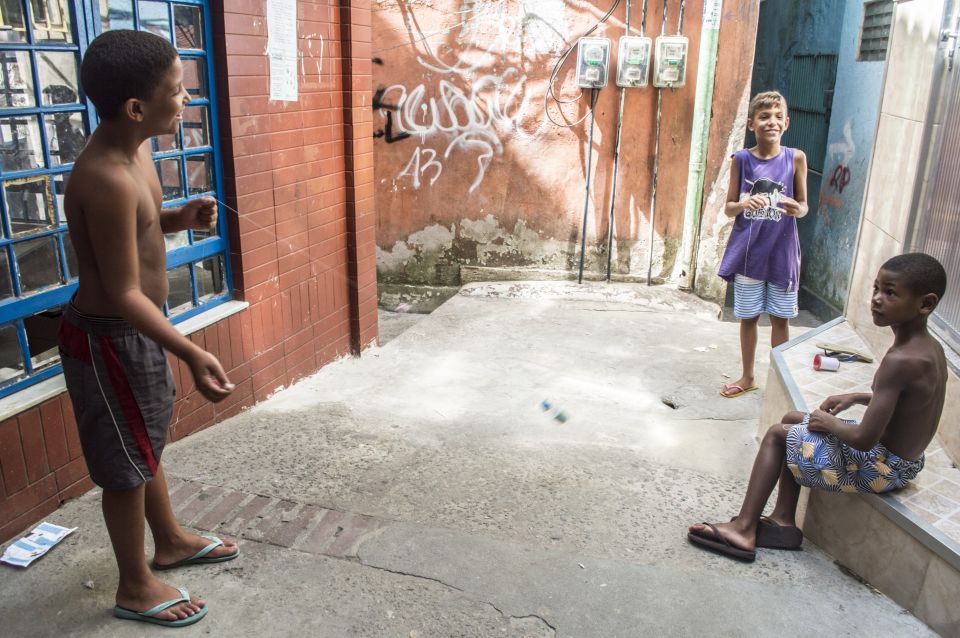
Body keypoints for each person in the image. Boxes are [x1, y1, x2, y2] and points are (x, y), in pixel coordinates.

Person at [58, 30, 238, 628]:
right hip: (110, 336)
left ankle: (171, 542)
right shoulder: (103, 175)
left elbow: (137, 226)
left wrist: (176, 217)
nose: (186, 100)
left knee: (143, 442)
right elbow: (120, 290)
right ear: (137, 108)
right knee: (123, 465)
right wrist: (189, 351)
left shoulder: (136, 151)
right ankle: (135, 583)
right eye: (177, 92)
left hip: (136, 332)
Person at [688, 253, 948, 561]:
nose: (877, 299)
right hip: (906, 461)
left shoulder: (900, 359)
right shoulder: (928, 348)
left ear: (925, 304)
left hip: (882, 467)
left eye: (890, 293)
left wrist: (831, 424)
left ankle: (743, 529)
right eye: (876, 288)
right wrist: (858, 397)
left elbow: (864, 439)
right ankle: (783, 519)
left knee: (777, 434)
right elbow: (910, 402)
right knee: (793, 419)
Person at [717, 90, 809, 398]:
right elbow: (728, 207)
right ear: (751, 124)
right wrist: (744, 204)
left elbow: (804, 205)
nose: (771, 121)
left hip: (782, 253)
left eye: (777, 116)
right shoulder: (741, 160)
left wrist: (798, 208)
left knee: (781, 319)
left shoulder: (795, 158)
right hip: (749, 254)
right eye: (764, 116)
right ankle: (747, 376)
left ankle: (780, 382)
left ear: (786, 123)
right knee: (749, 318)